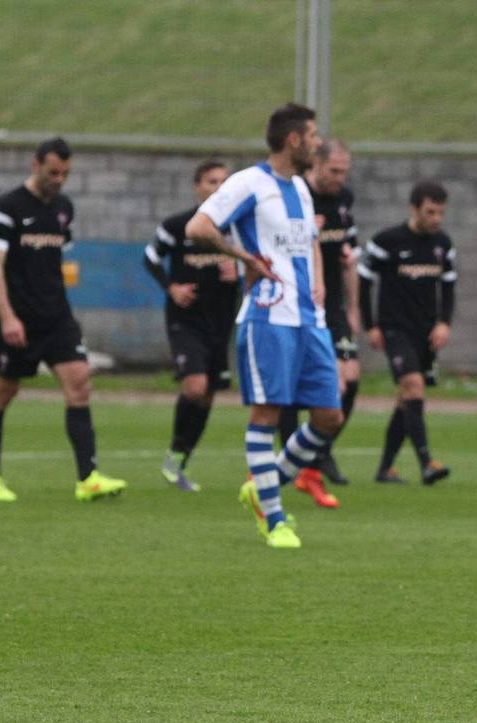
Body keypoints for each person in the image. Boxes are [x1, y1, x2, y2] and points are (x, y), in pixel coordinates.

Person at [185, 103, 342, 550]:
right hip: (268, 316)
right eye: (312, 135)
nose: (318, 142)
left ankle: (263, 485)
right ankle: (274, 518)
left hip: (308, 318)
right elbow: (200, 226)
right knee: (267, 413)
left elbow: (309, 243)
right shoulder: (249, 183)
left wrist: (320, 285)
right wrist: (244, 259)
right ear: (293, 140)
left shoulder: (301, 188)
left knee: (330, 416)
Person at [0, 137, 127, 503]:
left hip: (57, 317)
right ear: (36, 165)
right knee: (3, 392)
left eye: (65, 174)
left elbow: (54, 263)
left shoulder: (63, 209)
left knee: (79, 383)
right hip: (19, 319)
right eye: (53, 172)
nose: (59, 179)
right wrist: (8, 317)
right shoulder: (8, 207)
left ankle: (87, 478)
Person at [145, 159, 240, 492]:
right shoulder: (177, 225)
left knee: (208, 396)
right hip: (185, 320)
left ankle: (179, 459)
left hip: (221, 323)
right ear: (197, 186)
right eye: (212, 181)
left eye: (224, 182)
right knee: (195, 386)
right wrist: (171, 287)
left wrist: (239, 270)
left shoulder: (237, 226)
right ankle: (175, 455)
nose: (218, 188)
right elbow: (151, 257)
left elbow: (261, 263)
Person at [278, 138, 360, 507]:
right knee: (293, 388)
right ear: (316, 165)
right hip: (299, 303)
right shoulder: (295, 197)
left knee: (350, 380)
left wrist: (354, 308)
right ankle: (296, 460)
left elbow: (350, 256)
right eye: (334, 171)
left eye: (344, 172)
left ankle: (316, 454)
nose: (339, 179)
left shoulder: (344, 202)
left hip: (334, 308)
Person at [361, 180, 456, 486]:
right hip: (394, 329)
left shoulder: (443, 244)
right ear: (413, 209)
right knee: (413, 387)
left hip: (425, 333)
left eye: (440, 212)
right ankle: (427, 462)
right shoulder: (387, 241)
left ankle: (385, 469)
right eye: (430, 211)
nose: (436, 218)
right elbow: (365, 282)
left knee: (406, 399)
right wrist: (370, 325)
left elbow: (448, 287)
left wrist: (444, 323)